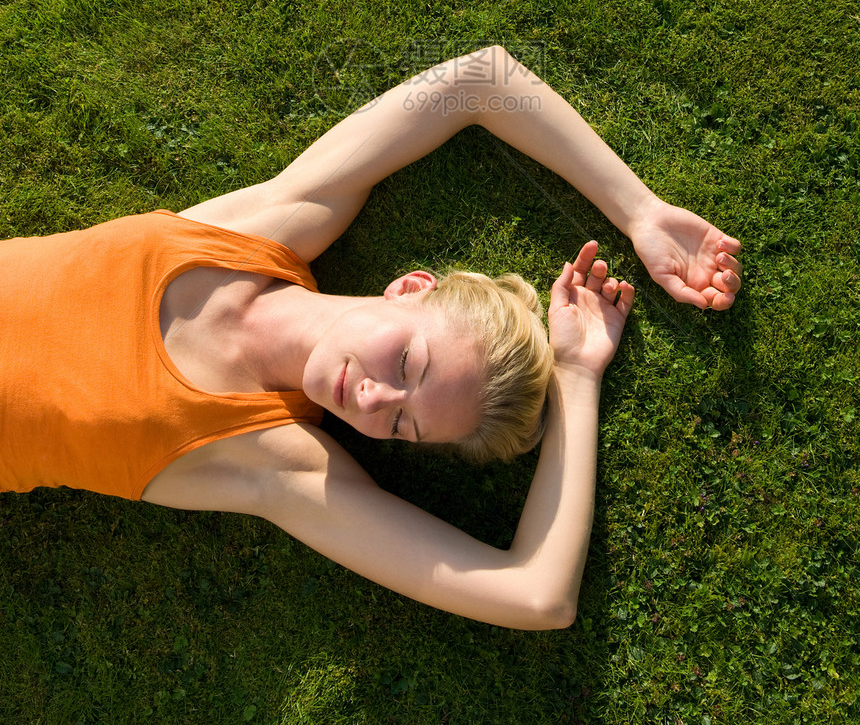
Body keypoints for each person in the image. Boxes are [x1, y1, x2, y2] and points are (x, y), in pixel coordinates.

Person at [0, 48, 741, 629]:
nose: (372, 396)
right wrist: (640, 210)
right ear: (411, 288)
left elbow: (540, 595)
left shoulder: (280, 465)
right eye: (407, 361)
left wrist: (578, 378)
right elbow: (480, 80)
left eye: (399, 422)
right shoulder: (261, 230)